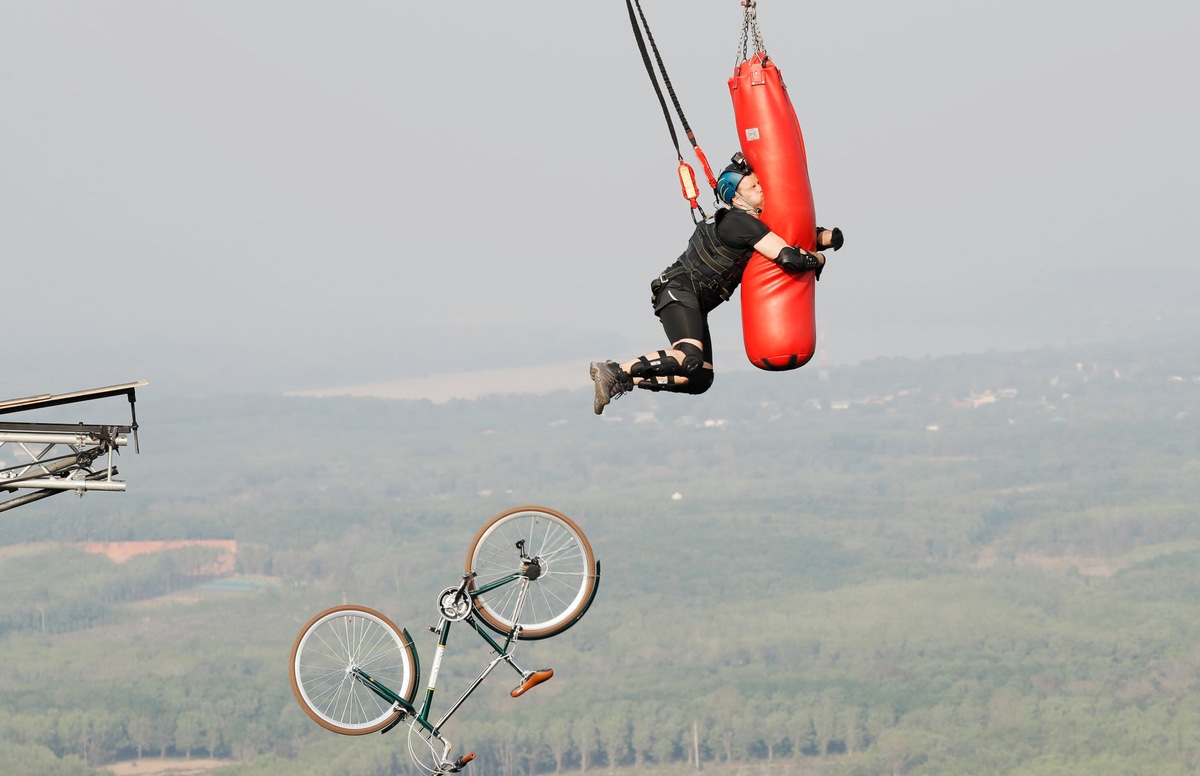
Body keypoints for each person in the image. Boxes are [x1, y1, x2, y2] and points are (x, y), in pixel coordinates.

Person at [589, 153, 843, 415]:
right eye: (753, 187)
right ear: (735, 198)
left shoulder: (751, 222)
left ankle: (624, 380)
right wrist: (818, 257)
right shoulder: (738, 222)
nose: (761, 189)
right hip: (679, 289)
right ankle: (614, 370)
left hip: (695, 300)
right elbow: (789, 257)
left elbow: (790, 237)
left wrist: (825, 237)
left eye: (760, 183)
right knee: (689, 355)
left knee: (699, 379)